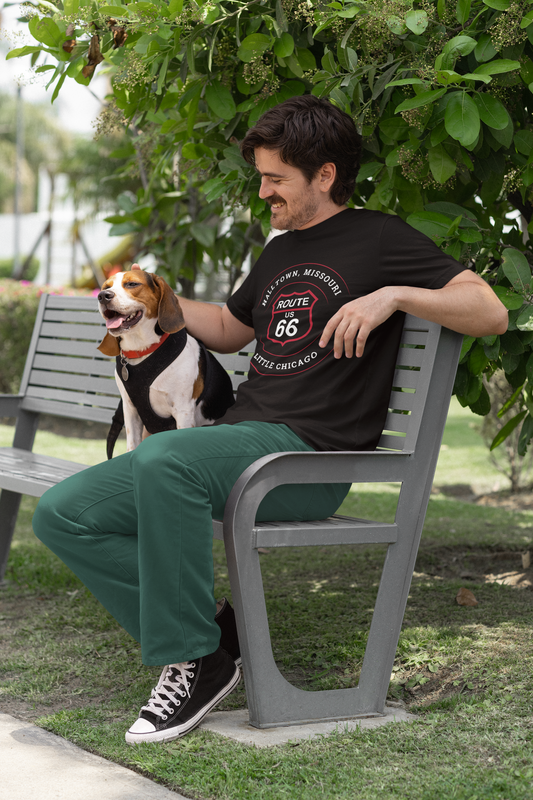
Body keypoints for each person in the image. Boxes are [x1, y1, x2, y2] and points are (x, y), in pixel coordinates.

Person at [32, 96, 507, 745]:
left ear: (325, 175)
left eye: (274, 179)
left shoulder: (380, 238)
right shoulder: (280, 250)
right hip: (241, 442)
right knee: (64, 513)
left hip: (305, 458)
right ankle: (211, 633)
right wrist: (158, 301)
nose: (262, 192)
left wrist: (390, 295)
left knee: (164, 458)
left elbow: (487, 311)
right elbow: (230, 330)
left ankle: (193, 661)